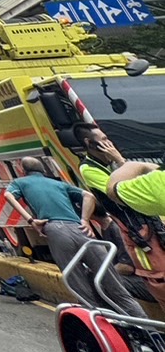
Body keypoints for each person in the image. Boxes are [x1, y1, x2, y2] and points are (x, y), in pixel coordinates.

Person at [4, 156, 147, 316]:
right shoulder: (59, 184)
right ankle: (146, 332)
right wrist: (84, 220)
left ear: (22, 170)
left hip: (57, 231)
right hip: (82, 231)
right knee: (117, 289)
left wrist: (31, 220)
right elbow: (88, 196)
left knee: (81, 289)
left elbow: (8, 196)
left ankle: (105, 326)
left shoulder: (20, 183)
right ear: (43, 170)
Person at [73, 123, 165, 306]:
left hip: (146, 223)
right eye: (104, 139)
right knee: (158, 276)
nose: (110, 142)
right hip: (136, 228)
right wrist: (121, 161)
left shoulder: (108, 164)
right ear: (89, 143)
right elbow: (116, 191)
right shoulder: (89, 168)